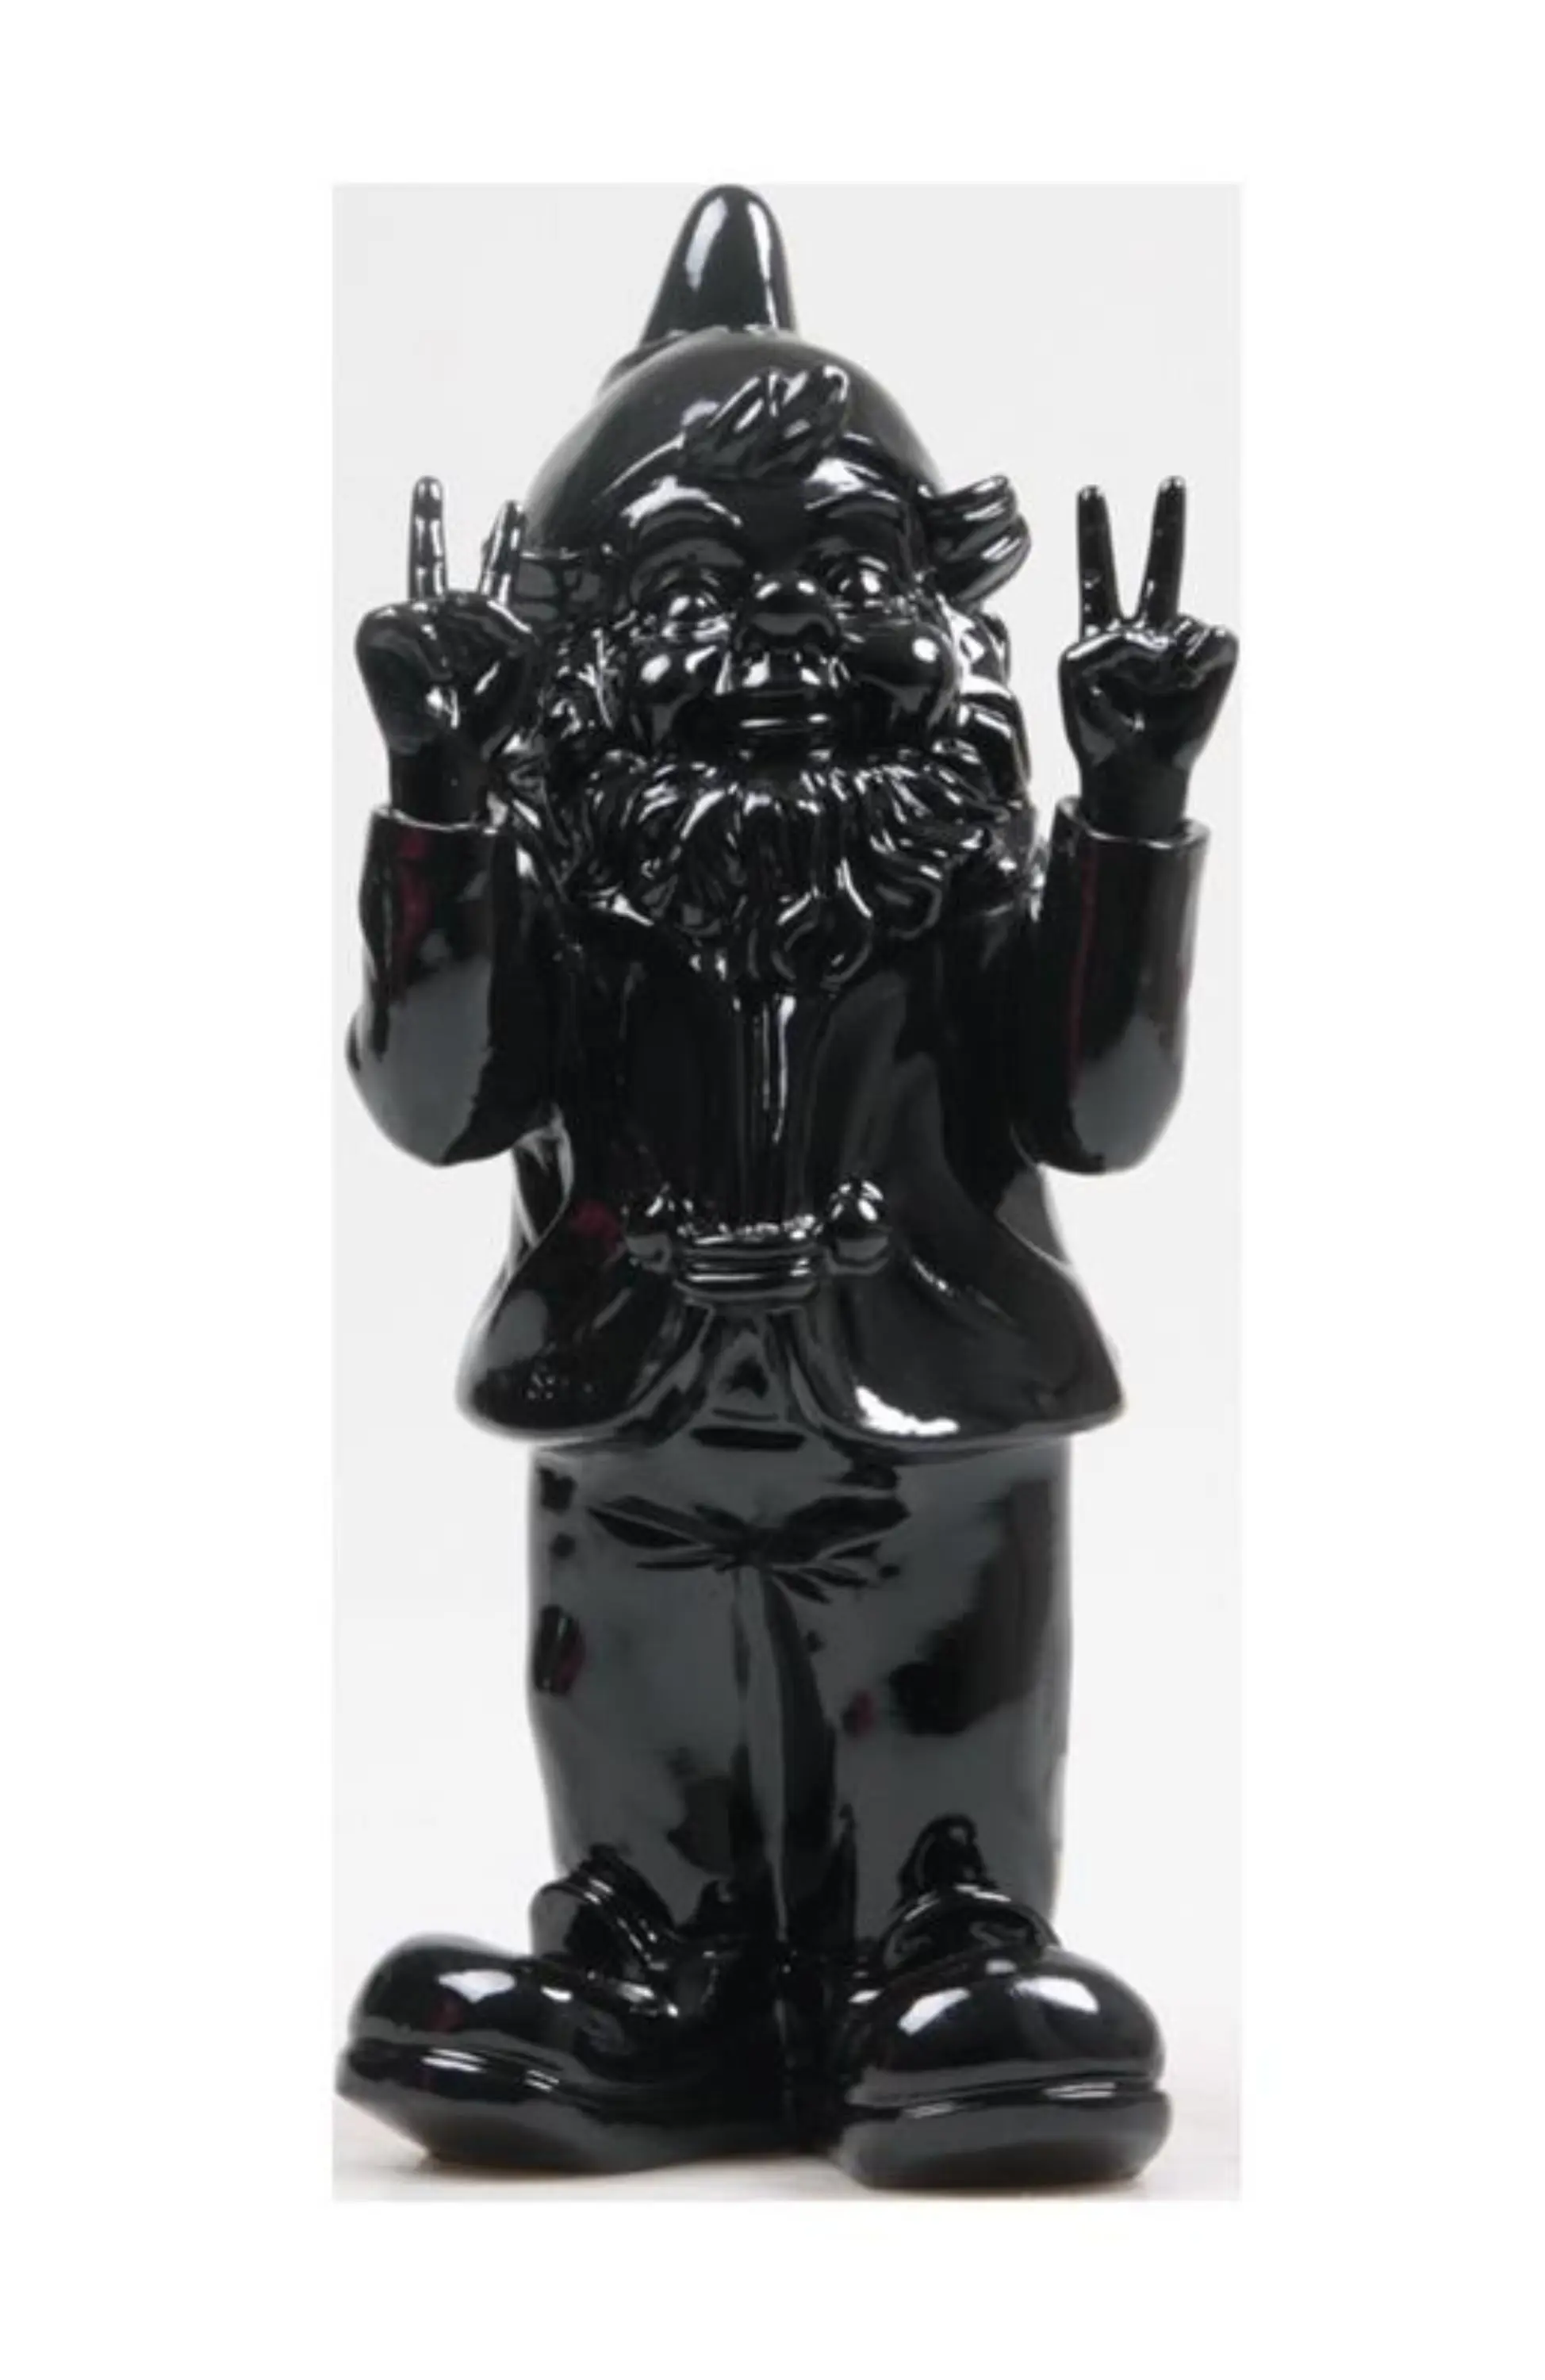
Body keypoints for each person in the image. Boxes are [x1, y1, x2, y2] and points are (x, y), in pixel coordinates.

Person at [338, 189, 1236, 2188]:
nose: (770, 631)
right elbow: (438, 1101)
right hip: (632, 1417)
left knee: (937, 1707)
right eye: (685, 582)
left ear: (933, 594)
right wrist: (434, 800)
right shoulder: (571, 879)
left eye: (838, 570)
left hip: (926, 1418)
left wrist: (1129, 806)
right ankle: (655, 1971)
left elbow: (1095, 1112)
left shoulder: (951, 871)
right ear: (572, 630)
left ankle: (945, 1942)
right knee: (633, 1709)